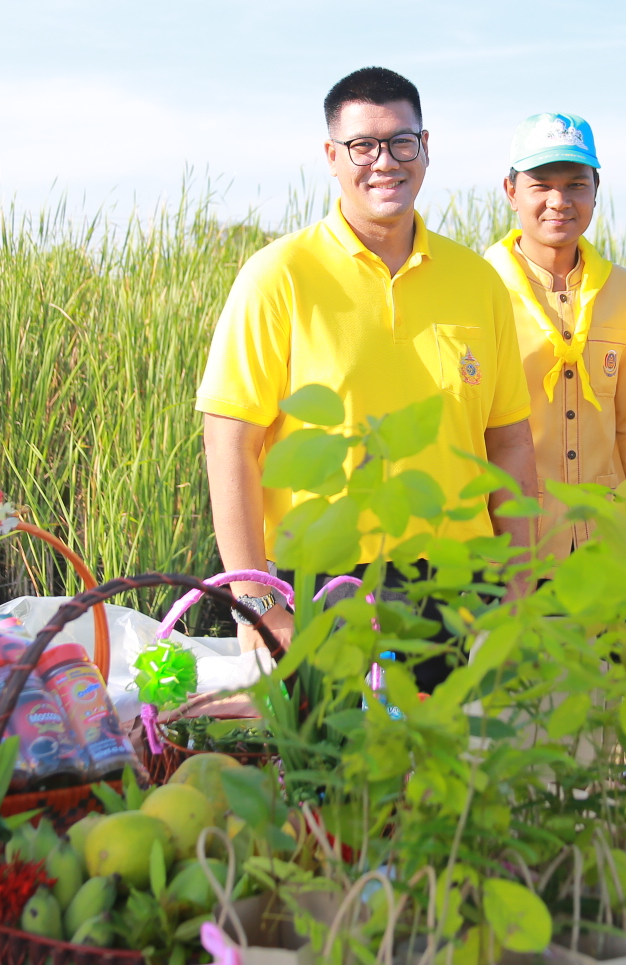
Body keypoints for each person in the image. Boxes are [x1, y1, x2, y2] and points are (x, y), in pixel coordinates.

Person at [196, 67, 538, 660]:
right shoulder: (279, 277)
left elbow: (509, 443)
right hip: (322, 587)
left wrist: (516, 585)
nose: (385, 161)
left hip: (462, 587)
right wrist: (254, 601)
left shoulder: (478, 282)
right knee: (328, 753)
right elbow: (229, 441)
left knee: (461, 752)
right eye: (362, 146)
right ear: (332, 156)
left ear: (425, 149)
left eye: (402, 141)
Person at [483, 113, 626, 566]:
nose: (558, 200)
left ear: (596, 192)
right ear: (511, 192)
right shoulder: (480, 289)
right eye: (541, 185)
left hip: (607, 544)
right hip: (513, 543)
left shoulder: (624, 292)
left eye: (576, 184)